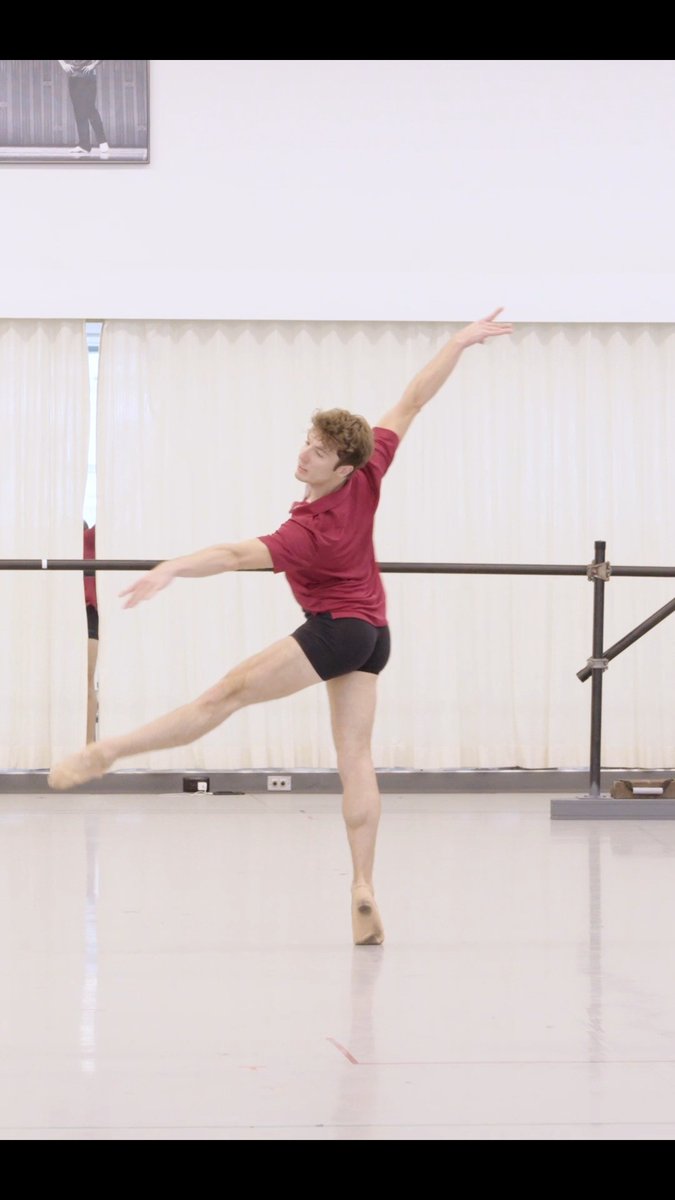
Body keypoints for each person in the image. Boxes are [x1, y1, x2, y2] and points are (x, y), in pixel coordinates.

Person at [49, 309, 513, 944]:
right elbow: (413, 399)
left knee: (223, 696)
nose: (304, 454)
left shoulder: (309, 531)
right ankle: (363, 886)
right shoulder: (369, 469)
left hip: (338, 630)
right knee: (355, 757)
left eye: (318, 452)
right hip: (374, 636)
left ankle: (107, 752)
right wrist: (457, 342)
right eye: (307, 441)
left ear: (342, 466)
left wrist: (174, 567)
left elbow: (233, 554)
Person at [58, 60, 109, 157]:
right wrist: (63, 64)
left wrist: (93, 65)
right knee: (79, 112)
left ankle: (102, 141)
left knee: (90, 110)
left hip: (87, 77)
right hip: (74, 77)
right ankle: (84, 145)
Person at [83, 521, 98, 743]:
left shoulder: (89, 539)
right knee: (87, 682)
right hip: (86, 613)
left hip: (89, 613)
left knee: (87, 681)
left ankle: (88, 746)